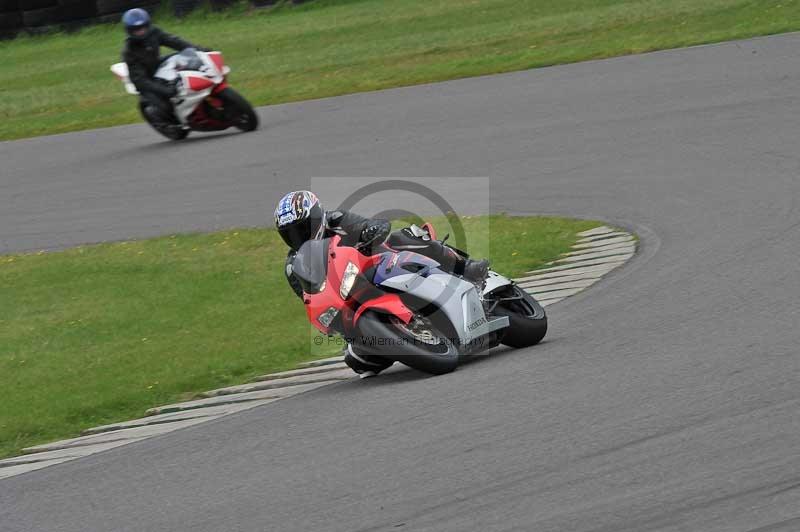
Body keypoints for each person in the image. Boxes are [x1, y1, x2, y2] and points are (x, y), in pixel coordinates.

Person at [275, 190, 490, 299]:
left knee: (403, 236)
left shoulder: (337, 219)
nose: (298, 237)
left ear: (316, 216)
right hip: (348, 295)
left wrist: (372, 230)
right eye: (290, 234)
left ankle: (466, 267)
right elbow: (309, 299)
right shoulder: (294, 264)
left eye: (302, 228)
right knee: (359, 362)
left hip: (379, 265)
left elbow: (370, 225)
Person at [121, 8, 210, 129]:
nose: (141, 32)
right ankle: (167, 124)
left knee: (184, 60)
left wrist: (199, 49)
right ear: (129, 31)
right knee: (164, 105)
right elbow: (140, 81)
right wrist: (163, 90)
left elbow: (175, 42)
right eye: (136, 30)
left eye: (142, 28)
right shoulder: (129, 51)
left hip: (157, 65)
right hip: (146, 80)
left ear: (148, 25)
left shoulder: (154, 32)